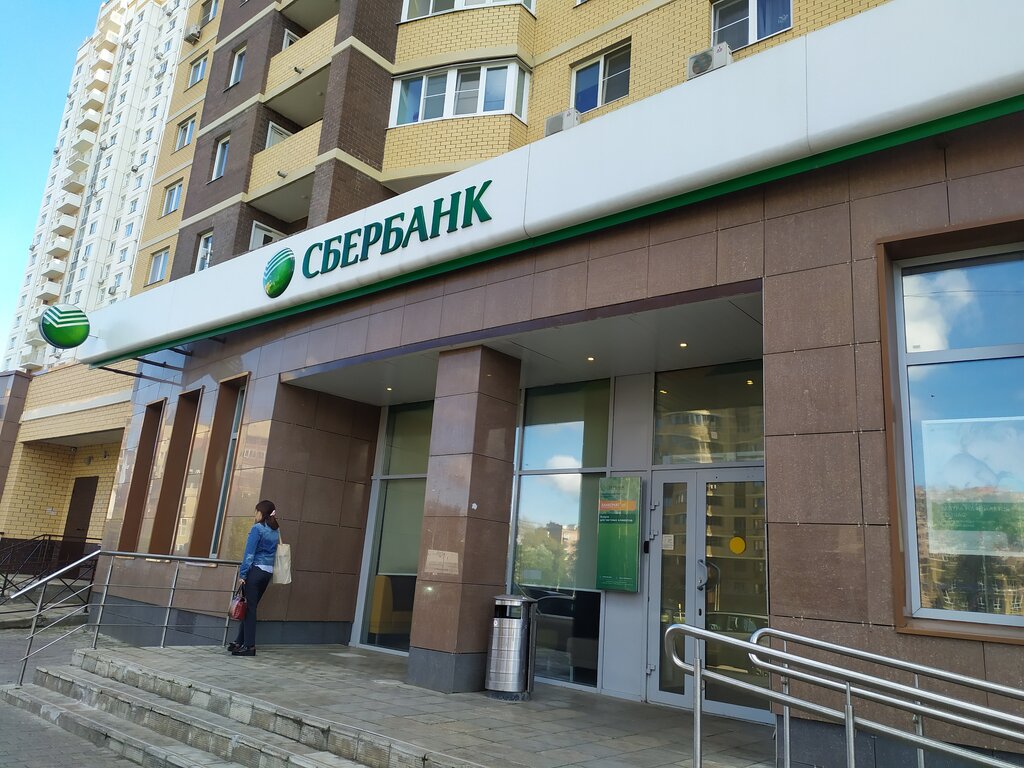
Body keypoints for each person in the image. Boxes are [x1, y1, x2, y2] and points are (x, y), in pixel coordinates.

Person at [229, 499, 280, 656]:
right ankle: (239, 642)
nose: (255, 514)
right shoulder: (275, 530)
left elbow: (249, 554)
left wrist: (243, 574)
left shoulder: (257, 529)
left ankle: (249, 646)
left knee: (250, 609)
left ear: (262, 513)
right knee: (250, 606)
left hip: (256, 571)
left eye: (256, 511)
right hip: (267, 572)